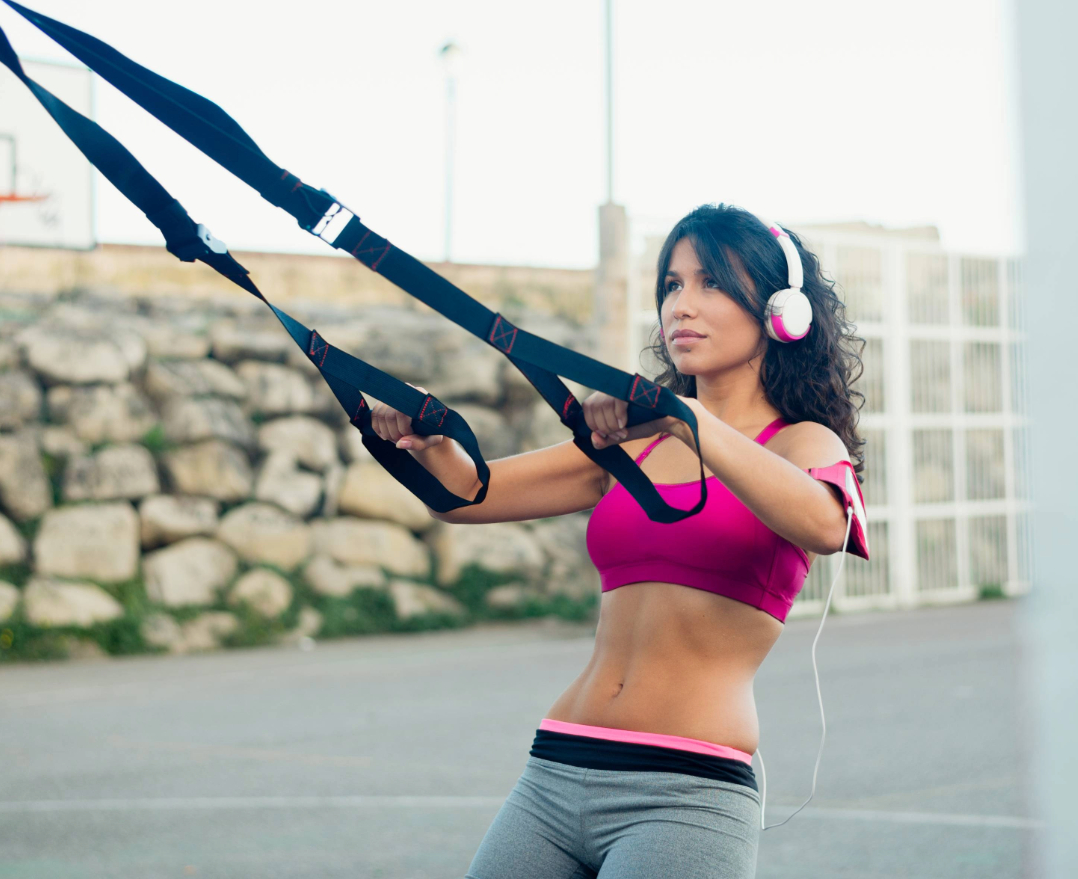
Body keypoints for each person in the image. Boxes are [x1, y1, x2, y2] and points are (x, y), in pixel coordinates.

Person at [369, 203, 870, 878]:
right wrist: (420, 437)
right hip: (555, 769)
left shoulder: (803, 442)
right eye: (671, 284)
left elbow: (825, 523)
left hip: (685, 790)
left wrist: (688, 420)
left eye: (710, 283)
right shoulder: (638, 442)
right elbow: (469, 494)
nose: (682, 305)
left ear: (781, 311)